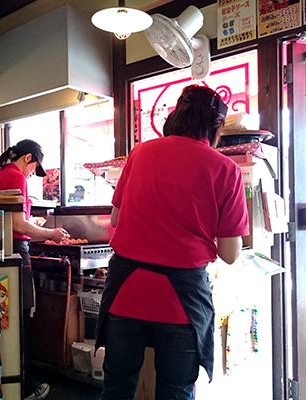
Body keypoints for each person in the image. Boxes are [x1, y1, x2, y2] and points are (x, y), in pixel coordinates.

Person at [96, 85, 249, 400]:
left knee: (118, 387)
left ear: (175, 116)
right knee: (175, 391)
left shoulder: (141, 152)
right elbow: (230, 254)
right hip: (181, 302)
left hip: (127, 292)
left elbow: (115, 219)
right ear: (216, 125)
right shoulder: (226, 170)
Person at [0, 138, 70, 400]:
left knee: (2, 317)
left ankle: (3, 383)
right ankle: (25, 387)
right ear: (27, 157)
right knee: (22, 317)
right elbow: (19, 226)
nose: (33, 174)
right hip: (16, 252)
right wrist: (50, 233)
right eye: (35, 167)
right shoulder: (16, 178)